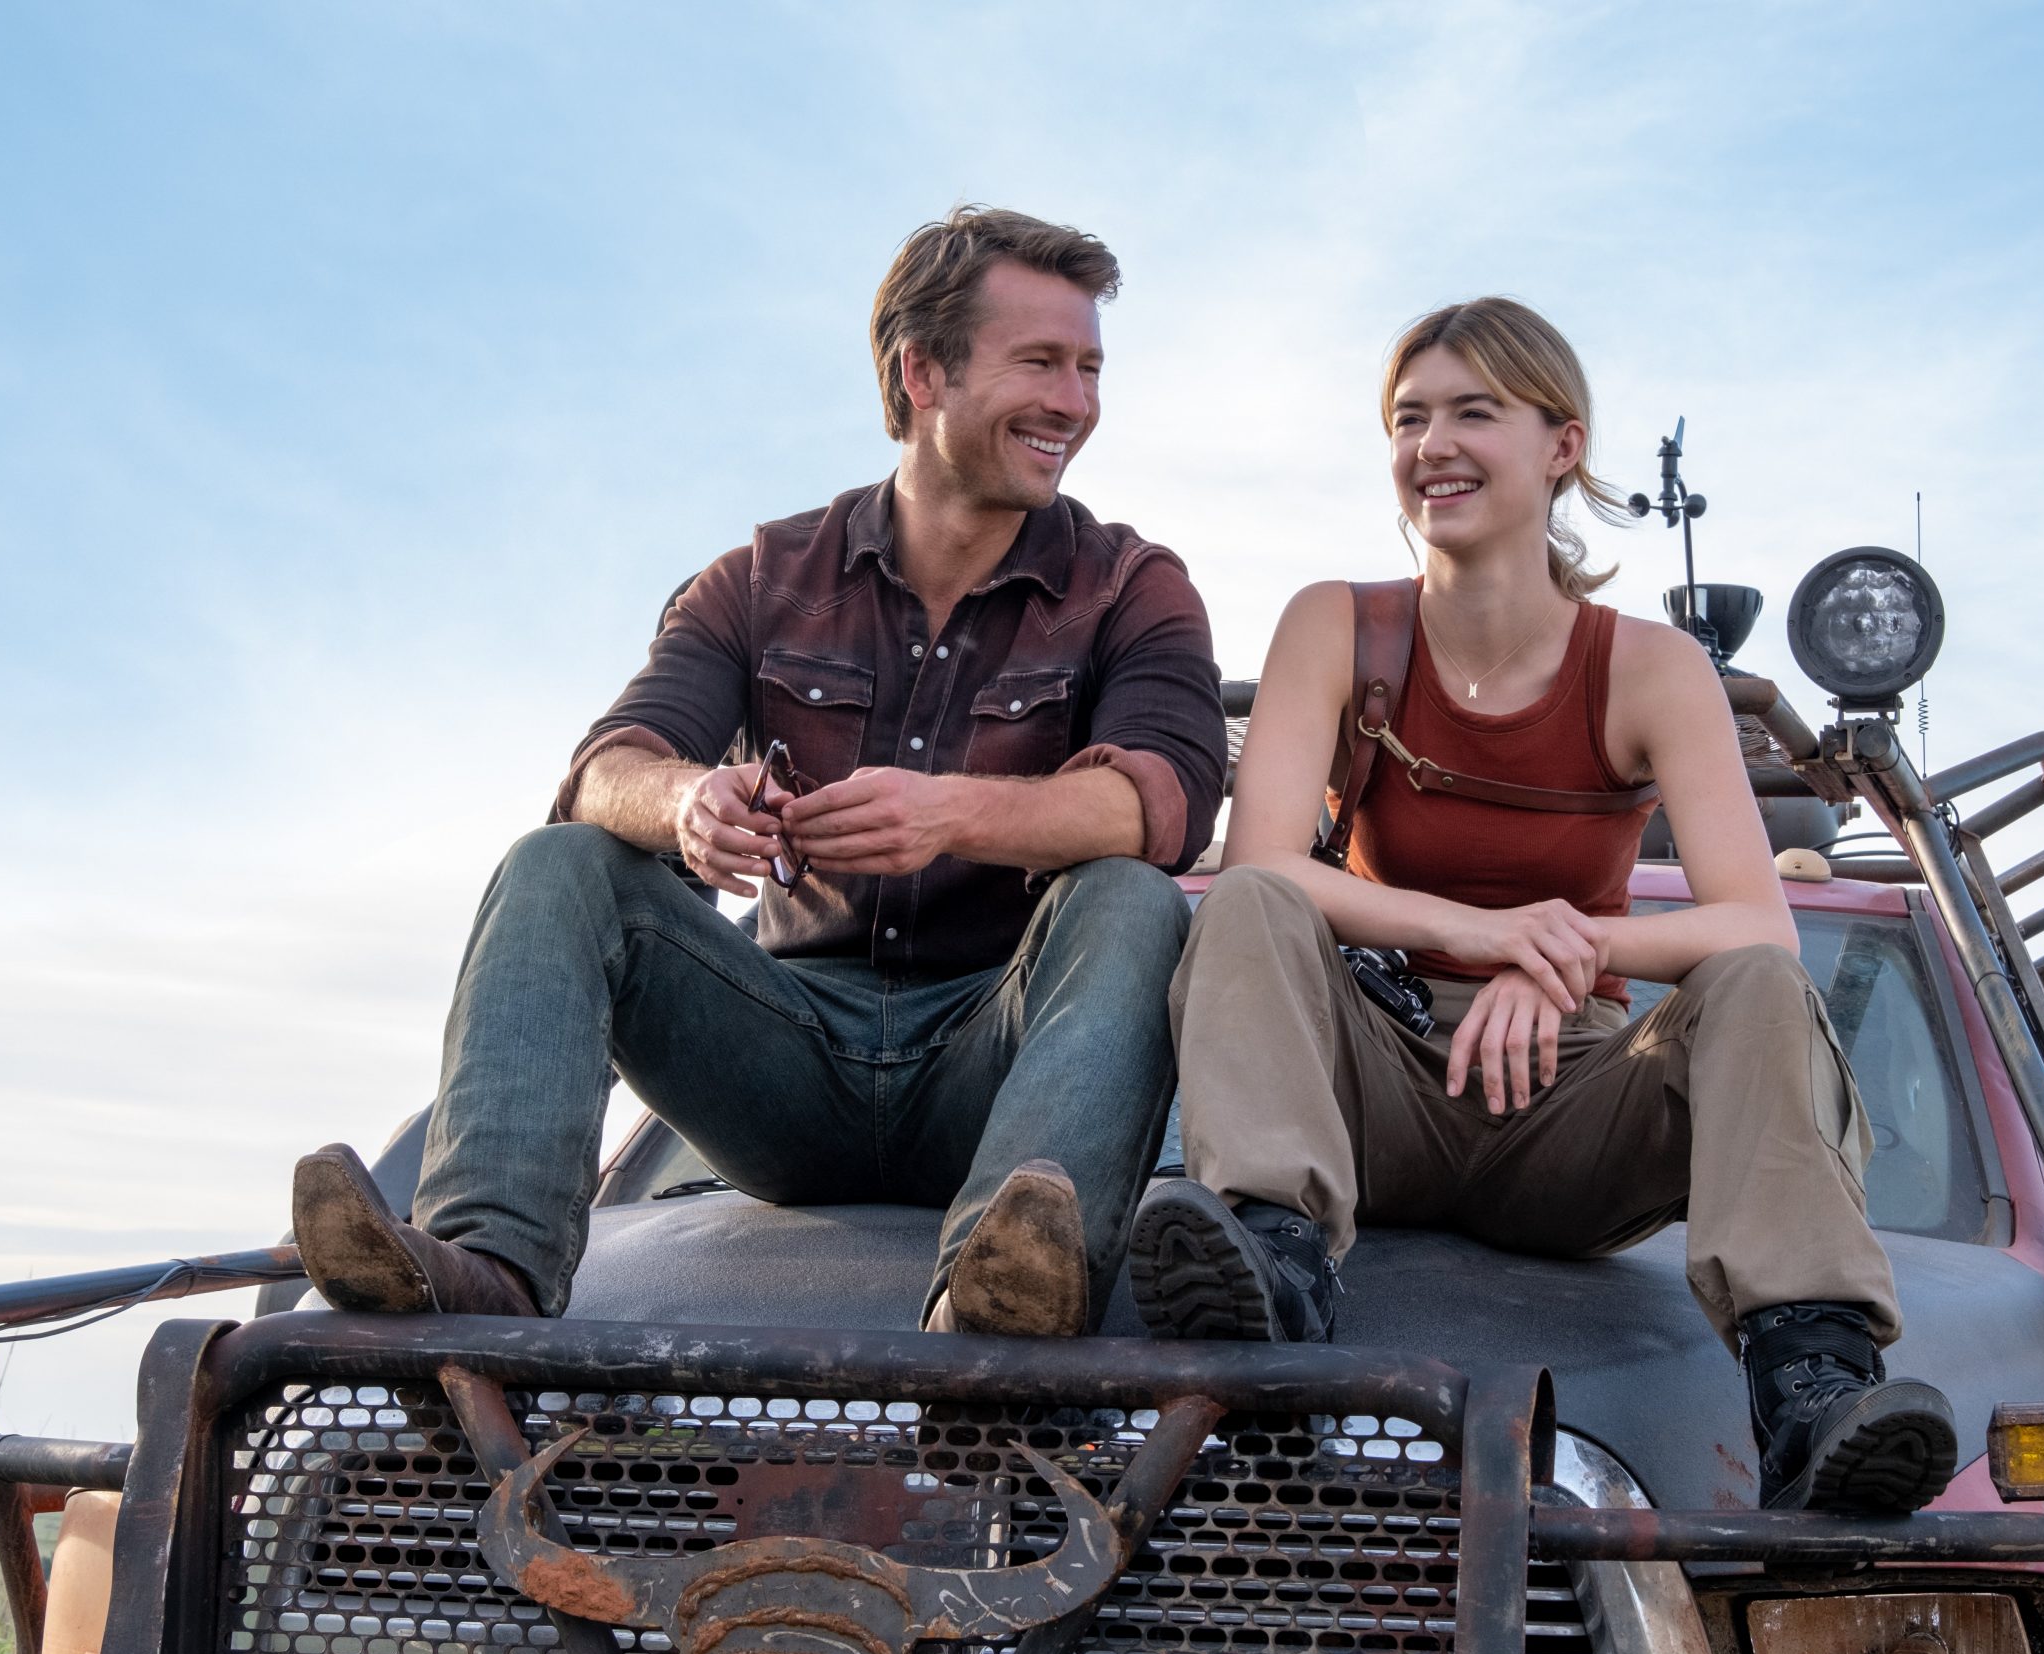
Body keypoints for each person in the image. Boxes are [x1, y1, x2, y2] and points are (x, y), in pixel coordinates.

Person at [291, 206, 1227, 1339]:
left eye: (1088, 368)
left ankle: (1006, 1290)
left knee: (1129, 892)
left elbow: (1165, 802)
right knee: (559, 862)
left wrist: (952, 815)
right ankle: (488, 1262)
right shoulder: (759, 578)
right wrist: (684, 802)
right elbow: (604, 769)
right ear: (920, 371)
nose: (1075, 402)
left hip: (1000, 1052)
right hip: (783, 1061)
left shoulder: (1133, 584)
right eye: (1040, 362)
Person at [1130, 297, 1956, 1514]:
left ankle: (1810, 1381)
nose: (1433, 445)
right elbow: (1261, 862)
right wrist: (1476, 932)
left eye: (1474, 412)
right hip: (1373, 1084)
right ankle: (1273, 1260)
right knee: (1250, 901)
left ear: (1561, 445)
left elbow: (1755, 925)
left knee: (1756, 989)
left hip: (1572, 1106)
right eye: (1409, 419)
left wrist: (1559, 955)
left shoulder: (1650, 668)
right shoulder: (1336, 627)